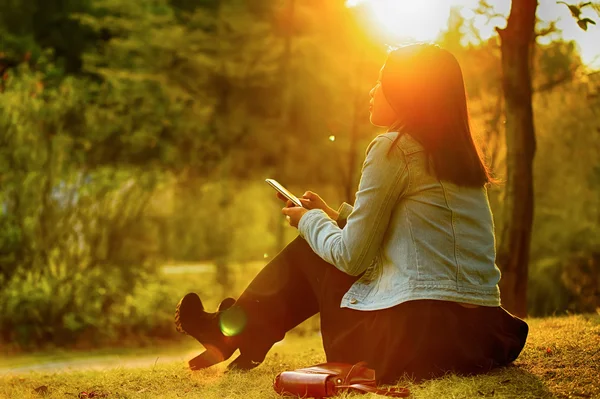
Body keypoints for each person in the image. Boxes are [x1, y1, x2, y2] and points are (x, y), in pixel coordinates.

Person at [174, 43, 528, 383]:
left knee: (310, 248)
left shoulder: (393, 148)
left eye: (383, 80)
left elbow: (351, 257)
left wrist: (309, 221)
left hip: (418, 341)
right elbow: (412, 240)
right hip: (479, 334)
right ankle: (238, 334)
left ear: (407, 91)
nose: (373, 89)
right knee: (319, 237)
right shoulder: (458, 156)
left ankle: (231, 332)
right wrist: (334, 215)